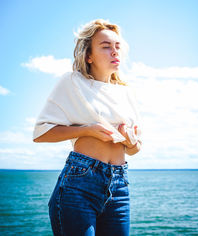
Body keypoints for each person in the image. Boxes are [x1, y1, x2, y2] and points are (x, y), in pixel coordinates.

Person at [33, 18, 142, 236]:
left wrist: (131, 141)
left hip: (119, 184)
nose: (114, 52)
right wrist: (87, 130)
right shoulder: (72, 82)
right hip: (80, 182)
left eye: (117, 46)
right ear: (88, 55)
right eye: (106, 47)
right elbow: (41, 133)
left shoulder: (126, 92)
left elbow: (135, 148)